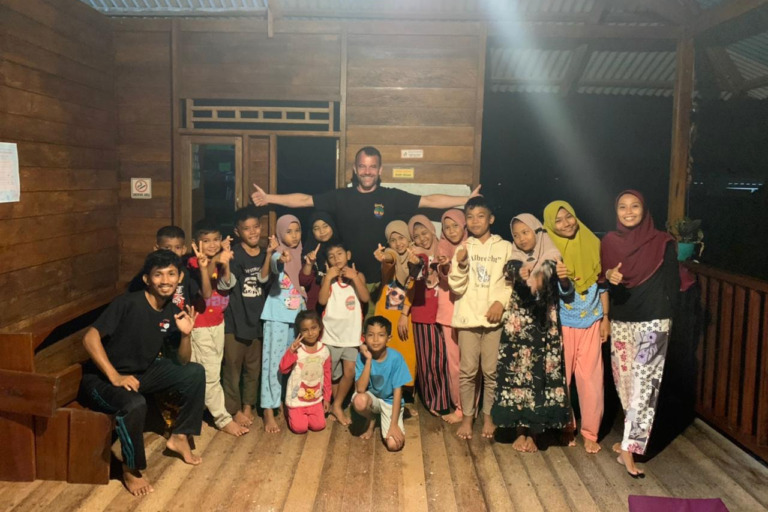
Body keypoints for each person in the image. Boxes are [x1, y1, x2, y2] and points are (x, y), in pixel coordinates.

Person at [250, 146, 481, 294]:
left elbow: (429, 200)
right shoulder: (340, 196)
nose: (367, 171)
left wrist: (467, 199)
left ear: (380, 170)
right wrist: (269, 198)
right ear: (355, 169)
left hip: (385, 281)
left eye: (372, 167)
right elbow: (303, 199)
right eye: (362, 166)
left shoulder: (391, 196)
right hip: (347, 279)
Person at [78, 250, 205, 497]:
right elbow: (89, 338)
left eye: (171, 274)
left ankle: (180, 436)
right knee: (135, 404)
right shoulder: (127, 303)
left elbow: (182, 361)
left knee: (194, 372)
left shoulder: (172, 310)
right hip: (101, 380)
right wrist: (115, 376)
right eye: (158, 275)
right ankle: (131, 469)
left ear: (179, 278)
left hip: (140, 374)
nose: (165, 280)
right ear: (147, 279)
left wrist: (186, 335)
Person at [601, 190, 680, 478]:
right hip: (622, 319)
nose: (629, 211)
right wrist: (609, 276)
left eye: (635, 206)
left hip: (653, 322)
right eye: (622, 207)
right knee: (625, 384)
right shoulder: (609, 242)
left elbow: (673, 284)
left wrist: (669, 320)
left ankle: (629, 449)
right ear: (616, 211)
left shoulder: (662, 242)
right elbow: (603, 279)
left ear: (644, 210)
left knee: (645, 386)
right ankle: (628, 440)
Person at [492, 214, 570, 453]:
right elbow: (511, 268)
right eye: (516, 235)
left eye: (526, 232)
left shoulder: (551, 254)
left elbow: (548, 270)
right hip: (518, 326)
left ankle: (535, 432)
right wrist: (520, 271)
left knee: (539, 374)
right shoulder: (516, 257)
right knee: (518, 375)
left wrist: (537, 278)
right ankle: (520, 430)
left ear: (537, 232)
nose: (521, 238)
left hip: (543, 325)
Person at [543, 200, 609, 454]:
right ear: (551, 225)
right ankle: (566, 426)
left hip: (591, 323)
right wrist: (561, 279)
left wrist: (606, 318)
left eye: (568, 217)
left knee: (591, 380)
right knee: (563, 379)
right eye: (558, 221)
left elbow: (602, 286)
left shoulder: (593, 243)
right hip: (562, 325)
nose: (565, 224)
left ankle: (590, 432)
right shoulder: (550, 249)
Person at [449, 196, 514, 440]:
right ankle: (467, 417)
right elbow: (456, 286)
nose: (475, 221)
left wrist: (500, 302)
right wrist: (461, 265)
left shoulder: (505, 247)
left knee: (491, 371)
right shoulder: (463, 248)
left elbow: (511, 281)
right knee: (467, 371)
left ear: (491, 219)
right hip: (468, 318)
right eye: (470, 217)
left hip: (494, 319)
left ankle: (489, 416)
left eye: (480, 216)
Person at [186, 220, 246, 437]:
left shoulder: (222, 260)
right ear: (195, 244)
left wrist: (224, 261)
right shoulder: (193, 263)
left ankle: (196, 415)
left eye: (215, 240)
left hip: (217, 322)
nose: (211, 244)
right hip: (200, 325)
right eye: (206, 241)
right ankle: (222, 419)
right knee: (210, 374)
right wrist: (215, 260)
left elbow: (227, 283)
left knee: (209, 370)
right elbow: (205, 293)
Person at [224, 206, 271, 428]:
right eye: (246, 228)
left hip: (258, 321)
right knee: (232, 368)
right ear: (237, 231)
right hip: (234, 321)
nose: (252, 232)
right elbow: (227, 284)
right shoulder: (233, 254)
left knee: (253, 368)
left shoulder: (265, 254)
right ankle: (232, 409)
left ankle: (248, 406)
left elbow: (267, 282)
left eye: (256, 227)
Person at [260, 214, 307, 433]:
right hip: (277, 316)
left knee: (293, 363)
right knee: (273, 364)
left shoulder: (303, 253)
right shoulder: (279, 252)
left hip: (297, 317)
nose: (294, 235)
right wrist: (279, 258)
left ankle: (287, 401)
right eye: (289, 231)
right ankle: (268, 409)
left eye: (297, 230)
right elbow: (274, 264)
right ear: (280, 233)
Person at [317, 242, 370, 425]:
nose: (336, 258)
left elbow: (365, 298)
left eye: (339, 254)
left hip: (351, 336)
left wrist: (355, 278)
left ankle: (337, 405)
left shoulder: (358, 275)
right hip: (330, 335)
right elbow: (322, 301)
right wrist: (327, 278)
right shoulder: (329, 279)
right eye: (331, 256)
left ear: (348, 254)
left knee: (350, 372)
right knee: (332, 374)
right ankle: (332, 404)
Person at [407, 215, 452, 417]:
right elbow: (417, 274)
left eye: (424, 232)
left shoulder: (445, 249)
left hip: (448, 312)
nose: (421, 238)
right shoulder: (418, 256)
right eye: (416, 236)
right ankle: (436, 401)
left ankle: (451, 399)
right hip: (424, 314)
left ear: (433, 231)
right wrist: (416, 263)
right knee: (430, 362)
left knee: (447, 359)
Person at [352, 316, 412, 452]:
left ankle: (390, 419)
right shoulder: (362, 356)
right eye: (371, 335)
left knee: (394, 445)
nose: (375, 339)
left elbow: (397, 393)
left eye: (381, 335)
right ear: (364, 337)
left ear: (388, 338)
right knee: (359, 401)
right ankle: (371, 419)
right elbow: (360, 389)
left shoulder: (396, 358)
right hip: (371, 399)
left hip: (390, 402)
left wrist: (393, 425)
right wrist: (368, 360)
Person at [372, 220, 419, 391]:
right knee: (386, 349)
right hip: (386, 312)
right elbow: (389, 257)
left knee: (406, 349)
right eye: (393, 240)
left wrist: (404, 316)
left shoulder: (415, 255)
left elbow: (413, 285)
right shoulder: (391, 253)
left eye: (401, 238)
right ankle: (384, 389)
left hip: (405, 312)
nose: (398, 243)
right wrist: (384, 257)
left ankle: (405, 390)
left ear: (408, 237)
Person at [435, 209, 468, 423]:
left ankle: (472, 408)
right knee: (455, 364)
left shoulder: (473, 246)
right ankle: (460, 407)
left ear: (464, 226)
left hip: (471, 312)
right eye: (447, 227)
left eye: (455, 225)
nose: (451, 230)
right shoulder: (442, 248)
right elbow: (444, 276)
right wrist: (445, 265)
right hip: (449, 312)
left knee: (472, 364)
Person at [279, 310, 332, 434]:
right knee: (300, 428)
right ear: (299, 331)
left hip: (315, 399)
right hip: (296, 400)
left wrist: (327, 398)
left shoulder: (324, 351)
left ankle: (307, 415)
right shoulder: (297, 349)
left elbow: (327, 375)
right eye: (305, 330)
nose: (310, 333)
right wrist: (291, 352)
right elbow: (283, 369)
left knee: (319, 425)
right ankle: (291, 412)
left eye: (313, 328)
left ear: (320, 327)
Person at [127, 225, 199, 309]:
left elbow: (203, 294)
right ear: (156, 248)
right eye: (167, 248)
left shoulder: (187, 272)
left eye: (177, 247)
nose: (172, 252)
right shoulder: (149, 272)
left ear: (183, 250)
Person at [300, 211, 340, 311]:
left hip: (338, 306)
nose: (322, 231)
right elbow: (303, 282)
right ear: (312, 232)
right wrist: (309, 264)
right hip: (315, 307)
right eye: (316, 228)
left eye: (325, 226)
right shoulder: (310, 251)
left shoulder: (341, 249)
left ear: (332, 225)